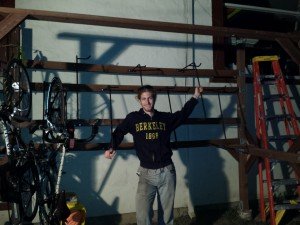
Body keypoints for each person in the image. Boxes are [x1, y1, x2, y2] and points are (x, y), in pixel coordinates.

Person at [104, 85, 203, 225]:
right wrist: (111, 147)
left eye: (150, 98)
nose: (147, 101)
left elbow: (182, 114)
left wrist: (195, 97)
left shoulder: (164, 118)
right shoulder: (133, 118)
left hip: (167, 172)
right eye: (143, 99)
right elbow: (119, 132)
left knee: (167, 215)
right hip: (146, 174)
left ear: (154, 98)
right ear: (139, 101)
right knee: (143, 215)